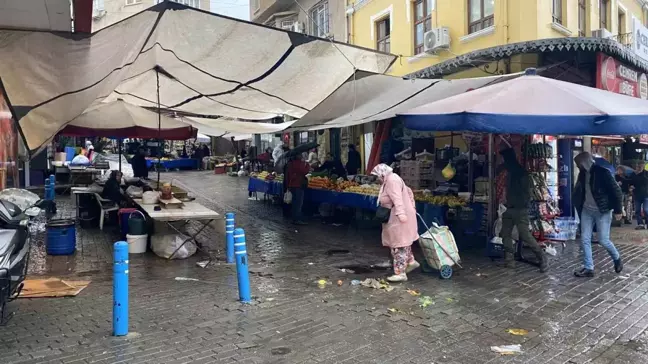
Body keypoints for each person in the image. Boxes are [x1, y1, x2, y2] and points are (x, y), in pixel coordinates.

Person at [572, 152, 623, 277]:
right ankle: (589, 267)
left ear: (585, 163)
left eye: (579, 164)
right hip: (587, 210)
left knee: (603, 240)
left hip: (602, 211)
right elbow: (581, 190)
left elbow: (616, 191)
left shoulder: (603, 173)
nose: (578, 167)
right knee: (585, 239)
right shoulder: (583, 174)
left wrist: (618, 210)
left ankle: (617, 258)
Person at [498, 147, 547, 272]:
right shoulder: (512, 172)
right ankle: (510, 260)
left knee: (525, 235)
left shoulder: (521, 174)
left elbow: (528, 193)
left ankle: (542, 257)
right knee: (505, 233)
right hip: (510, 208)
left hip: (520, 209)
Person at [372, 164, 420, 282]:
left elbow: (397, 199)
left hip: (399, 217)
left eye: (377, 176)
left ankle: (400, 273)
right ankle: (411, 262)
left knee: (399, 245)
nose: (377, 178)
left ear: (383, 174)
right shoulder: (390, 179)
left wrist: (401, 214)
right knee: (403, 242)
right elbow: (409, 192)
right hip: (397, 216)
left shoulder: (392, 181)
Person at [285, 154, 310, 225]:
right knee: (299, 203)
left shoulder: (290, 164)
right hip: (299, 185)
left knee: (294, 202)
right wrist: (307, 164)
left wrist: (288, 185)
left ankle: (294, 218)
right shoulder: (300, 163)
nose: (302, 156)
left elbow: (288, 175)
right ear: (298, 156)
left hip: (292, 185)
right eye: (301, 155)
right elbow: (305, 171)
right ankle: (297, 219)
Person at [630, 161, 648, 229]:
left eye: (641, 166)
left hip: (646, 194)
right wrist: (631, 186)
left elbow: (645, 181)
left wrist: (641, 174)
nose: (639, 167)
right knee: (637, 210)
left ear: (643, 166)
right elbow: (631, 182)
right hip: (637, 194)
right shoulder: (633, 174)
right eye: (638, 166)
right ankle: (640, 224)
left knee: (646, 210)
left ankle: (647, 222)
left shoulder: (646, 173)